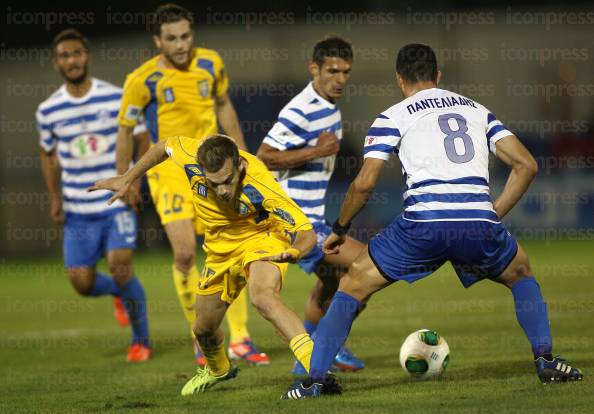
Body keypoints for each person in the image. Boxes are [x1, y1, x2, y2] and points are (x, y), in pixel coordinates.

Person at [283, 43, 583, 399]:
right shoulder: (476, 110)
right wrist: (491, 214)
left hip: (423, 224)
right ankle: (546, 360)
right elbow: (526, 165)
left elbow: (364, 184)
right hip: (477, 223)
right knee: (521, 274)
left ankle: (313, 382)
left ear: (399, 79)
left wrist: (340, 229)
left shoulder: (393, 115)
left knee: (352, 284)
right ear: (438, 75)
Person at [90, 135, 343, 395]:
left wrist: (294, 251)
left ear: (240, 167)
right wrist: (128, 177)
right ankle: (217, 369)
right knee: (203, 328)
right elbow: (162, 146)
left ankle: (318, 371)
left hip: (262, 238)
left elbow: (306, 233)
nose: (222, 190)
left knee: (263, 297)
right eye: (214, 183)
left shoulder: (260, 183)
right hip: (220, 251)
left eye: (227, 181)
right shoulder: (191, 156)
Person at [116, 3, 266, 365]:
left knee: (230, 251)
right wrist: (125, 177)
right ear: (157, 40)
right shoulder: (141, 80)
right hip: (167, 173)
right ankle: (202, 336)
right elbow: (125, 130)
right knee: (184, 253)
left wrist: (243, 154)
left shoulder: (210, 63)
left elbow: (224, 105)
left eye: (185, 36)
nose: (181, 44)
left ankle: (241, 339)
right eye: (172, 38)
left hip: (211, 171)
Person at [36, 28, 151, 362]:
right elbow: (46, 153)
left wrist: (134, 181)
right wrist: (54, 197)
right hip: (77, 209)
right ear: (56, 62)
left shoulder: (115, 97)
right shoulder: (48, 110)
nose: (72, 61)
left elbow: (142, 138)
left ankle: (141, 341)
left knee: (120, 266)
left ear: (87, 56)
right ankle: (119, 293)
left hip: (114, 202)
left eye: (77, 53)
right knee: (82, 283)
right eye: (64, 56)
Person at [257, 37, 365, 373]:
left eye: (346, 71)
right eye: (333, 70)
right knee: (367, 266)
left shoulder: (328, 107)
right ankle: (323, 348)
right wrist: (315, 152)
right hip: (296, 220)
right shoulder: (300, 110)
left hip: (311, 216)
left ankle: (314, 352)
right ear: (314, 69)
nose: (341, 79)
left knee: (334, 281)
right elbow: (264, 157)